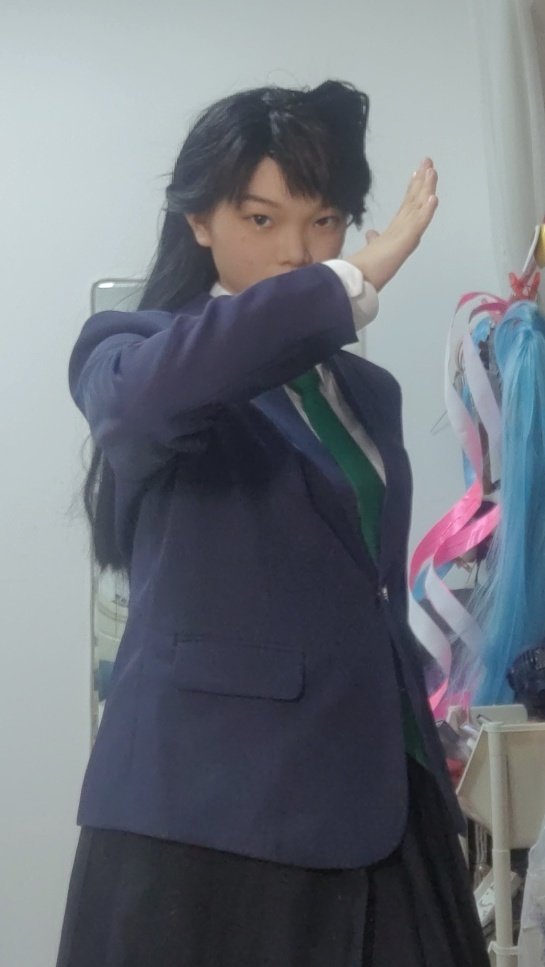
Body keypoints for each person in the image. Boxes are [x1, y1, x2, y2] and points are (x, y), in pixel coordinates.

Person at [57, 80, 489, 967]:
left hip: (379, 798)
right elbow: (145, 408)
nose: (297, 251)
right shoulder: (132, 351)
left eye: (325, 222)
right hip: (209, 812)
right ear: (198, 221)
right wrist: (351, 278)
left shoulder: (363, 390)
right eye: (261, 219)